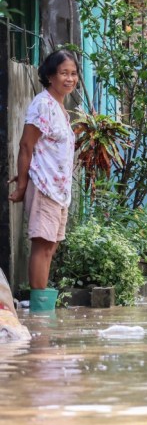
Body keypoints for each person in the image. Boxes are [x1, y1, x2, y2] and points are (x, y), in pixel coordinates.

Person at [8, 50, 79, 292]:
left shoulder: (60, 107)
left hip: (59, 190)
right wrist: (22, 185)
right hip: (45, 186)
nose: (69, 79)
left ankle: (42, 309)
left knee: (51, 246)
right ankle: (39, 311)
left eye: (73, 74)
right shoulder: (43, 104)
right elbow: (26, 145)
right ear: (50, 76)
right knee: (42, 244)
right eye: (63, 73)